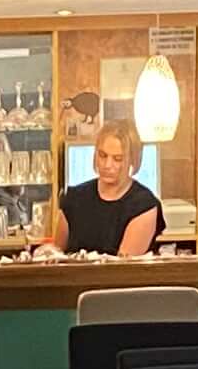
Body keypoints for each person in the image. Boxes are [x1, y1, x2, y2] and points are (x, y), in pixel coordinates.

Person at [45, 110, 164, 260]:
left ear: (132, 159)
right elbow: (57, 255)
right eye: (103, 155)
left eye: (117, 159)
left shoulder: (143, 205)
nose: (107, 165)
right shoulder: (74, 198)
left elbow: (123, 267)